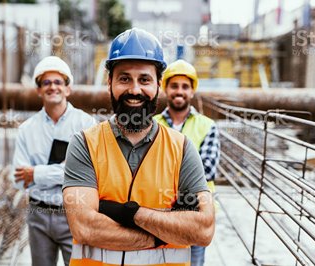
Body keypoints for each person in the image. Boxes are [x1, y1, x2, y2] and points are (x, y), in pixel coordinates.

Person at [62, 28, 215, 266]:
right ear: (109, 81)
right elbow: (85, 227)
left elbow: (202, 230)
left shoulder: (182, 148)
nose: (134, 90)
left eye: (144, 79)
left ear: (158, 84)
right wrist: (164, 232)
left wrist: (130, 213)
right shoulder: (84, 144)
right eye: (124, 78)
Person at [11, 56, 96, 266]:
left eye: (58, 82)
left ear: (68, 89)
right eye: (46, 83)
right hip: (38, 214)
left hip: (75, 212)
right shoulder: (27, 130)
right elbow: (20, 180)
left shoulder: (86, 124)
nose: (52, 87)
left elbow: (88, 173)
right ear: (39, 90)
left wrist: (37, 173)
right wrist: (64, 171)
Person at [154, 59, 220, 266]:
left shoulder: (207, 126)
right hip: (159, 214)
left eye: (185, 86)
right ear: (166, 89)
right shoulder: (152, 125)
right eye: (174, 86)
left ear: (192, 91)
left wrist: (166, 170)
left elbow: (207, 170)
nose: (179, 91)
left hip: (196, 214)